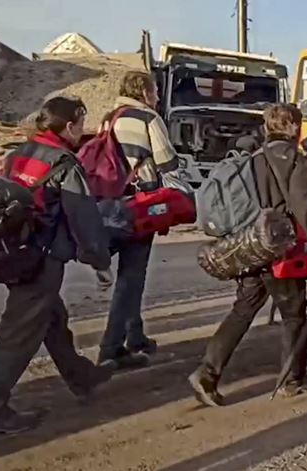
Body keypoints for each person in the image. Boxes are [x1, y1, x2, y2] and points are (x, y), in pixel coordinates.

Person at [0, 97, 114, 438]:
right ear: (69, 126)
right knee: (18, 333)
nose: (83, 130)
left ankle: (81, 377)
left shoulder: (20, 153)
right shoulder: (64, 163)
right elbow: (83, 217)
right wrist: (100, 262)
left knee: (51, 318)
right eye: (80, 123)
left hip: (14, 252)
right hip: (41, 259)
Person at [188, 104, 307, 406]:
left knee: (243, 309)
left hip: (249, 244)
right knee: (294, 314)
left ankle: (206, 373)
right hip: (278, 248)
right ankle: (294, 379)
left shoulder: (255, 159)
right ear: (293, 127)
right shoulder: (295, 162)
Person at [97, 71, 192, 369]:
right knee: (132, 276)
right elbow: (167, 162)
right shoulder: (148, 119)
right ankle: (111, 348)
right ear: (146, 92)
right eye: (154, 91)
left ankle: (135, 337)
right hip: (139, 205)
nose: (157, 96)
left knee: (129, 274)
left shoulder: (108, 118)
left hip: (108, 202)